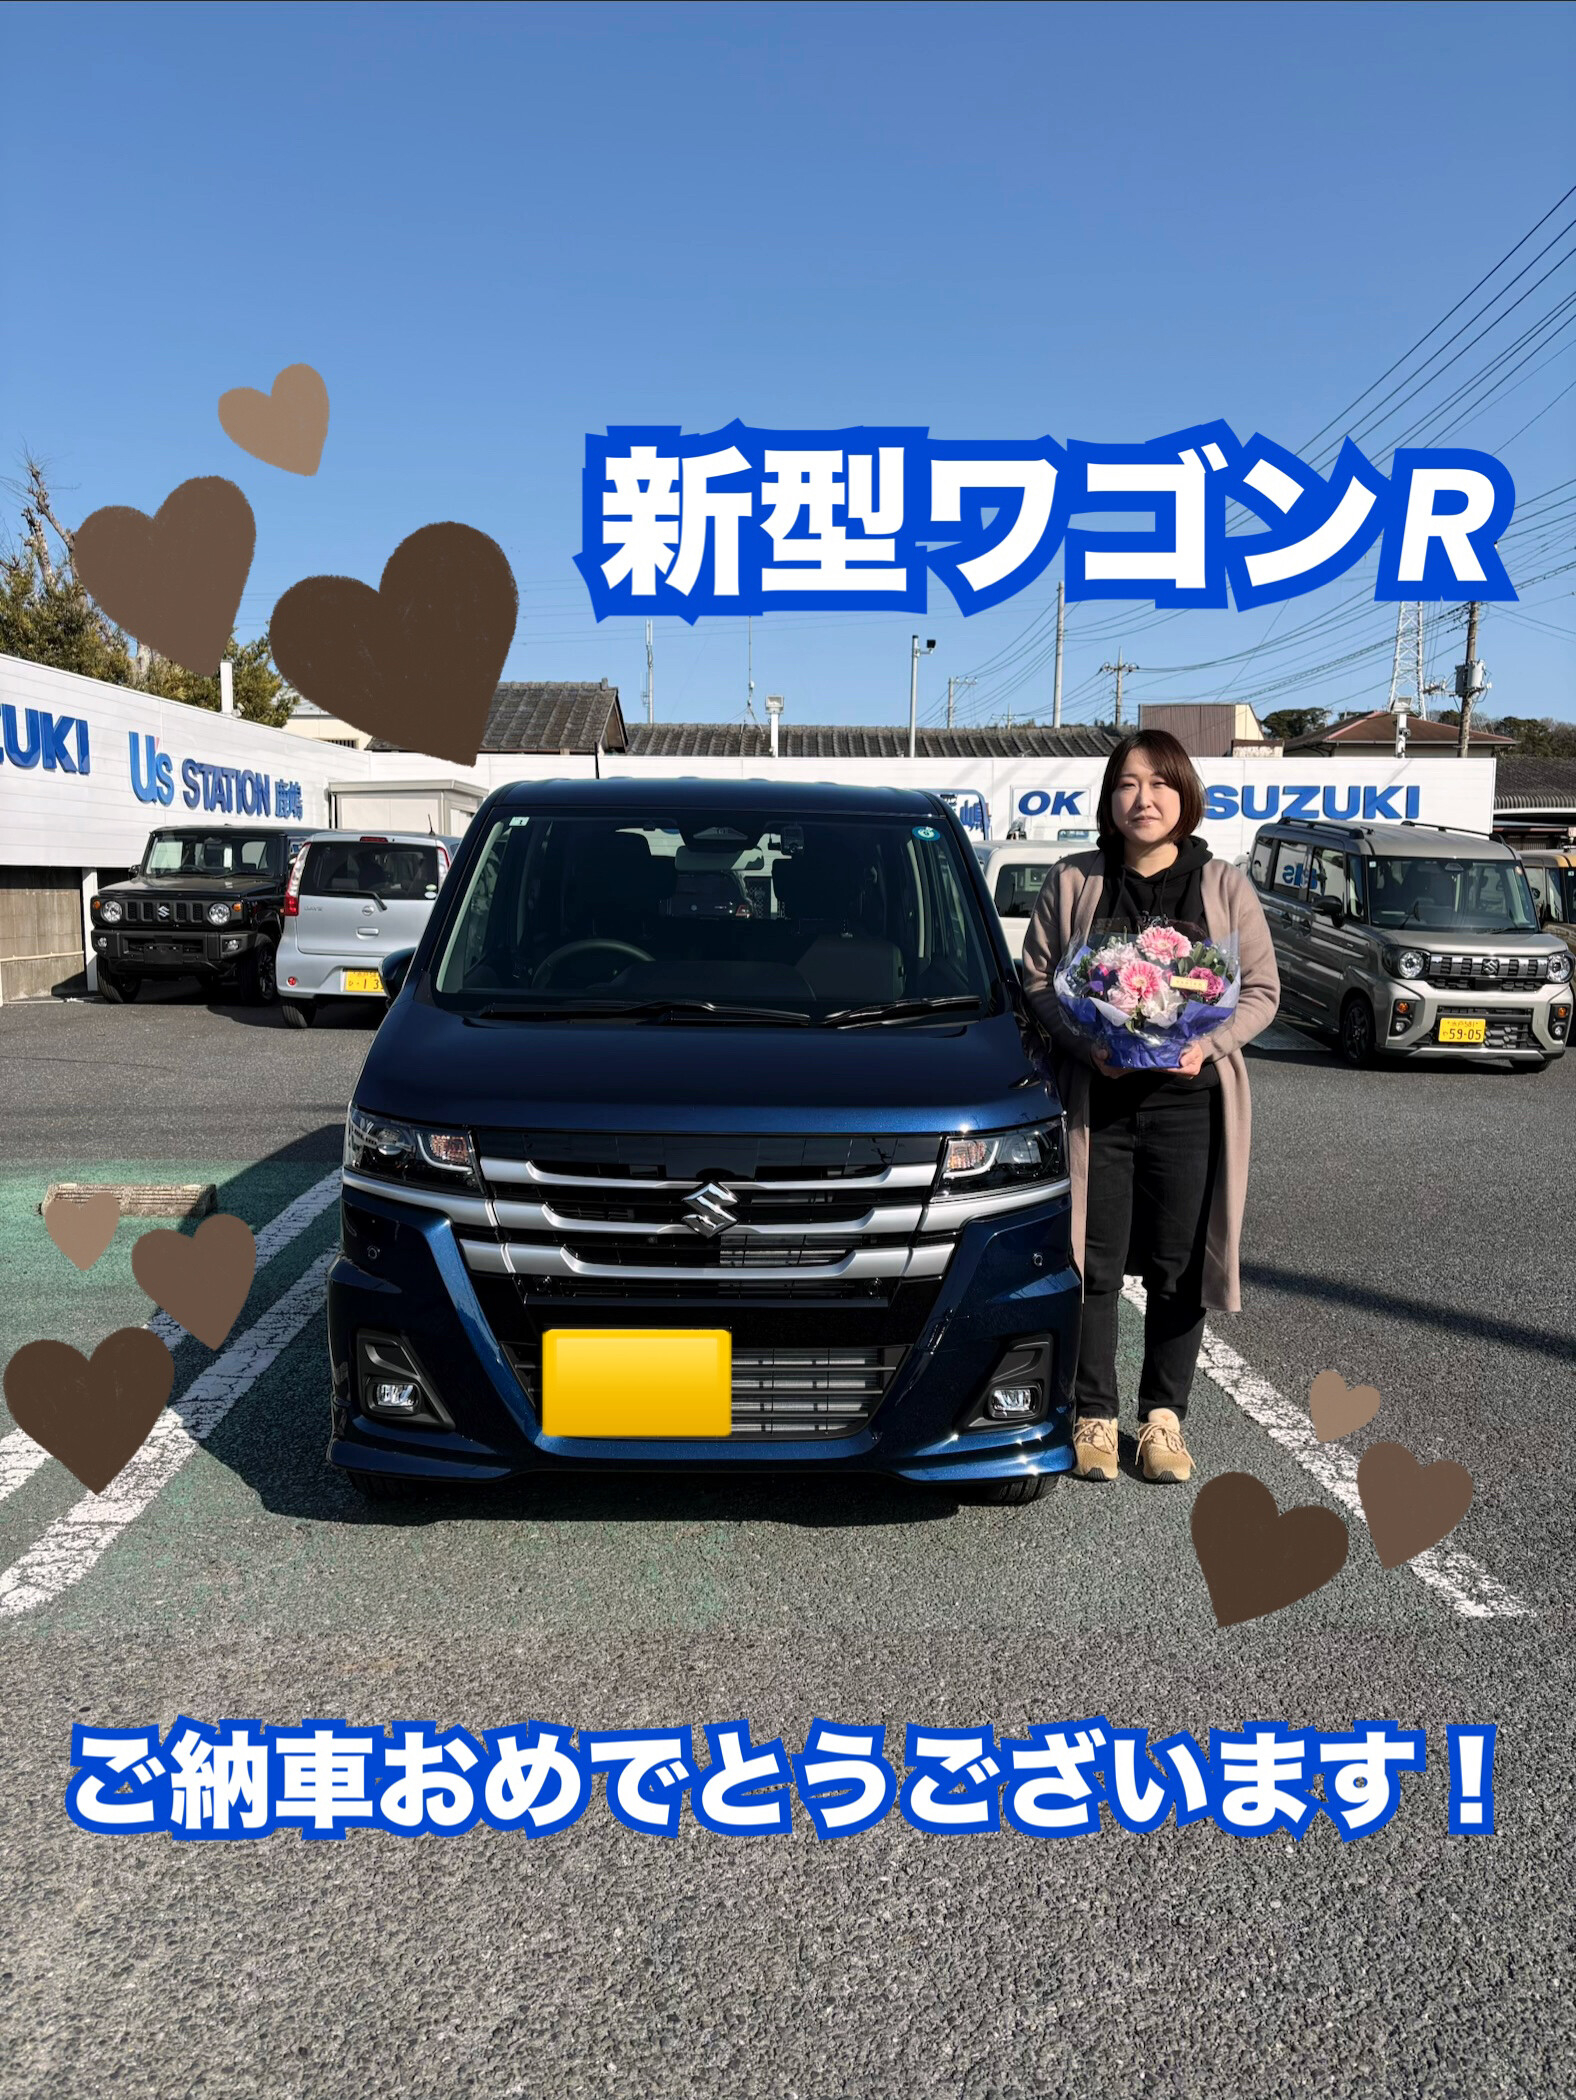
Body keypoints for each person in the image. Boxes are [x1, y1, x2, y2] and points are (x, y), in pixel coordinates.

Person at [1020, 731, 1280, 1484]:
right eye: (1128, 784)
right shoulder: (1075, 879)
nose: (1144, 799)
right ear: (1110, 799)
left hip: (1189, 1104)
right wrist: (1084, 1042)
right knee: (1091, 1260)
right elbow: (1038, 980)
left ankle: (1164, 1418)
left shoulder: (1224, 885)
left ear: (1185, 795)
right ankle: (1094, 1415)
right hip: (1097, 1104)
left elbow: (1262, 991)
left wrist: (1209, 1043)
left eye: (1160, 783)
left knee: (1179, 1265)